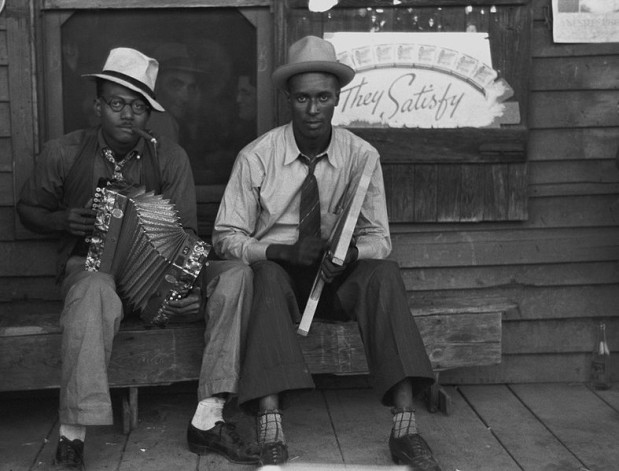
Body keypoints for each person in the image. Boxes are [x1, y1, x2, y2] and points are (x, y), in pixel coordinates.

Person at [16, 47, 258, 470]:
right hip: (92, 272)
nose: (127, 115)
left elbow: (183, 235)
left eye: (138, 107)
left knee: (236, 274)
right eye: (117, 104)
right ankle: (73, 436)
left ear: (149, 113)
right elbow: (27, 209)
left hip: (156, 283)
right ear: (98, 106)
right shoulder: (65, 152)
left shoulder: (170, 156)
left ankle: (208, 418)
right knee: (93, 287)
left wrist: (186, 287)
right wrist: (61, 221)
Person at [211, 36, 443, 471]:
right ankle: (270, 422)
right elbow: (226, 236)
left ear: (338, 97)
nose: (313, 109)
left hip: (336, 280)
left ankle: (405, 427)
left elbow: (380, 238)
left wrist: (351, 254)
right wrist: (279, 251)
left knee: (385, 273)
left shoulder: (362, 156)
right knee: (264, 275)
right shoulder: (257, 158)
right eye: (302, 98)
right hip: (280, 284)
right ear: (288, 100)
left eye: (322, 97)